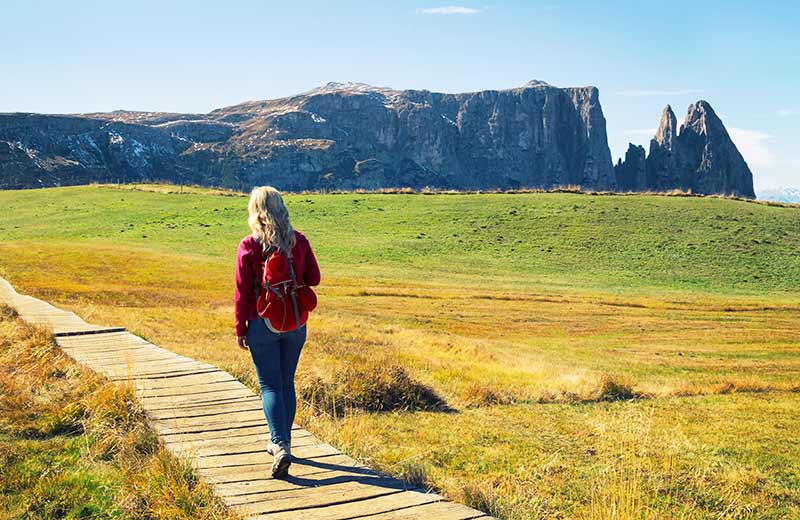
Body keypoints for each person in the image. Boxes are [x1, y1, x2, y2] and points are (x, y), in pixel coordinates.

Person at [234, 186, 320, 478]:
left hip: (263, 322)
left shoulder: (249, 245)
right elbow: (315, 278)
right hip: (295, 321)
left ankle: (278, 443)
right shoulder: (299, 241)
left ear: (255, 212)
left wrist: (240, 328)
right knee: (286, 384)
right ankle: (286, 443)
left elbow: (243, 293)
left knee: (269, 386)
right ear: (282, 208)